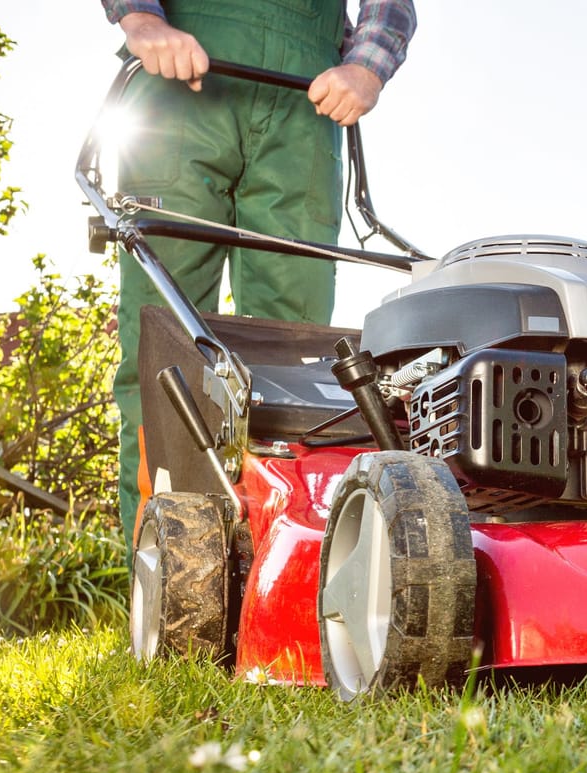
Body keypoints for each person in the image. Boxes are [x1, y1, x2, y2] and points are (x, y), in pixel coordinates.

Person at [100, 0, 417, 544]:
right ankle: (162, 581)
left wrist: (367, 66)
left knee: (295, 361)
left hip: (306, 101)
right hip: (179, 80)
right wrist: (142, 21)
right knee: (163, 351)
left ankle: (271, 576)